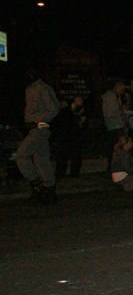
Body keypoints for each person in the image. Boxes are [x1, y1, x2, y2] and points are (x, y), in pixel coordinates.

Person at [15, 66, 60, 203]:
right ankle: (48, 189)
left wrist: (36, 119)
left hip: (40, 127)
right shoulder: (30, 89)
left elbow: (53, 109)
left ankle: (36, 183)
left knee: (21, 155)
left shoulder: (42, 88)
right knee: (41, 159)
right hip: (34, 128)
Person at [54, 96, 87, 178]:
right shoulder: (66, 111)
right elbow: (64, 122)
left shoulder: (82, 110)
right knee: (63, 155)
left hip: (75, 135)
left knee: (74, 155)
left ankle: (73, 174)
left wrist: (81, 123)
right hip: (66, 135)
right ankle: (60, 173)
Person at [101, 80, 127, 170]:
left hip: (116, 125)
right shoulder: (110, 97)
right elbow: (110, 113)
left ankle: (114, 166)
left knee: (116, 148)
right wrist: (120, 113)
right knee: (116, 148)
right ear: (117, 87)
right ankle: (114, 166)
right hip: (114, 126)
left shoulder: (115, 97)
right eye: (122, 90)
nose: (122, 92)